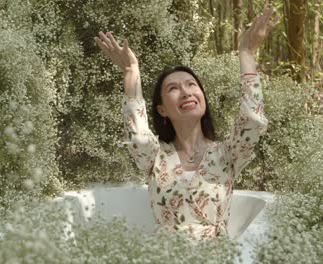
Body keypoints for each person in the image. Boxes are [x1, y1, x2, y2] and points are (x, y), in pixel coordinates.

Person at [94, 7, 276, 240]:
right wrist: (131, 72)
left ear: (202, 97)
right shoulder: (155, 156)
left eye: (191, 85)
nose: (186, 92)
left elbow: (251, 120)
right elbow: (138, 136)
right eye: (173, 88)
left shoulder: (227, 154)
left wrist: (246, 53)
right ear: (162, 110)